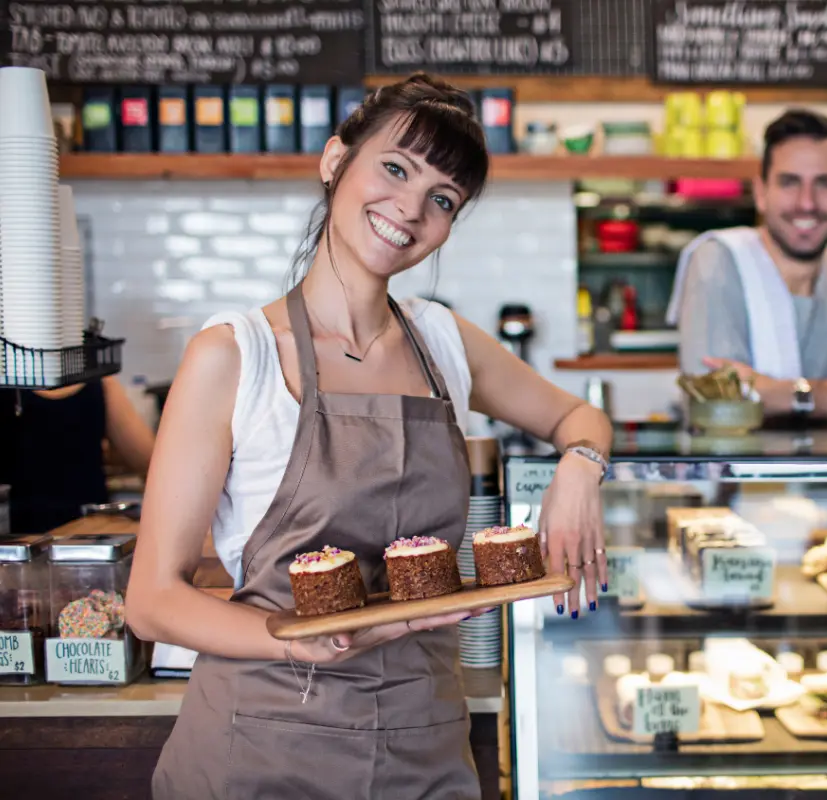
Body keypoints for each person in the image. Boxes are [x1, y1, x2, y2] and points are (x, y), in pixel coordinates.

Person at [128, 74, 613, 798]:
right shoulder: (235, 354)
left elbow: (581, 417)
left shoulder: (444, 341)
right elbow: (152, 600)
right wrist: (297, 635)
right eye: (395, 168)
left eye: (443, 199)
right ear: (334, 161)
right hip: (263, 746)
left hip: (425, 745)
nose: (410, 209)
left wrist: (578, 468)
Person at [666, 109, 827, 421]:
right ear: (761, 193)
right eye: (790, 182)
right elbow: (716, 406)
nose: (807, 202)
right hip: (736, 470)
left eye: (826, 183)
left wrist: (782, 393)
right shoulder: (718, 261)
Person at [0, 376, 155, 533]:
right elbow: (145, 459)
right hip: (88, 531)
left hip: (18, 535)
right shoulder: (99, 378)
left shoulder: (8, 379)